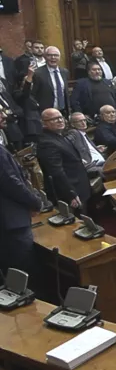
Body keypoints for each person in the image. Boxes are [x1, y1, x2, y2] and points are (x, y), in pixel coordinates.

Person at [0, 110, 41, 280]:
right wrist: (35, 202)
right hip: (11, 222)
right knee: (22, 275)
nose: (4, 116)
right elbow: (11, 183)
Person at [36, 108, 90, 211]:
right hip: (70, 192)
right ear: (44, 123)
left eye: (60, 117)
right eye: (54, 119)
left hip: (79, 185)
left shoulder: (58, 136)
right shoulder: (47, 143)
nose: (60, 120)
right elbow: (56, 172)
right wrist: (70, 194)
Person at [25, 46, 70, 114]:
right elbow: (30, 94)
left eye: (56, 55)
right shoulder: (37, 73)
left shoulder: (65, 72)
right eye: (49, 55)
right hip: (45, 113)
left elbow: (65, 93)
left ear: (59, 57)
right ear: (45, 57)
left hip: (62, 112)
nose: (53, 57)